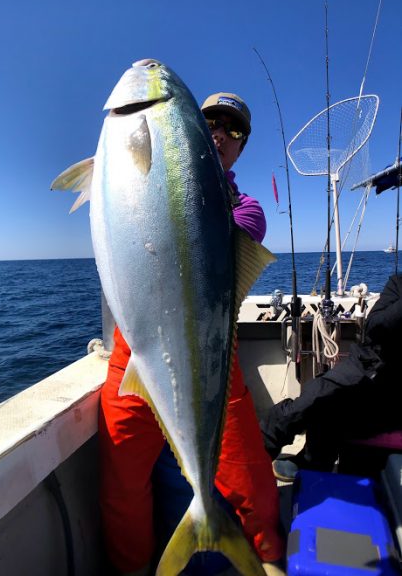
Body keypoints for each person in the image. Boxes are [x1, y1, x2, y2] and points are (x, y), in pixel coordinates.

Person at [98, 92, 285, 576]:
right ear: (191, 132)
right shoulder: (142, 178)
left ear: (242, 148)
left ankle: (269, 561)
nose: (221, 132)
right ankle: (134, 569)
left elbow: (205, 242)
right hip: (133, 353)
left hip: (209, 358)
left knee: (251, 479)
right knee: (121, 485)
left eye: (235, 129)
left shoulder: (246, 210)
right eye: (210, 123)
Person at [260, 272, 402, 482]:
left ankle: (311, 466)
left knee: (332, 408)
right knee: (314, 397)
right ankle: (256, 458)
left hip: (393, 388)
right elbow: (374, 327)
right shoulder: (398, 282)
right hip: (366, 362)